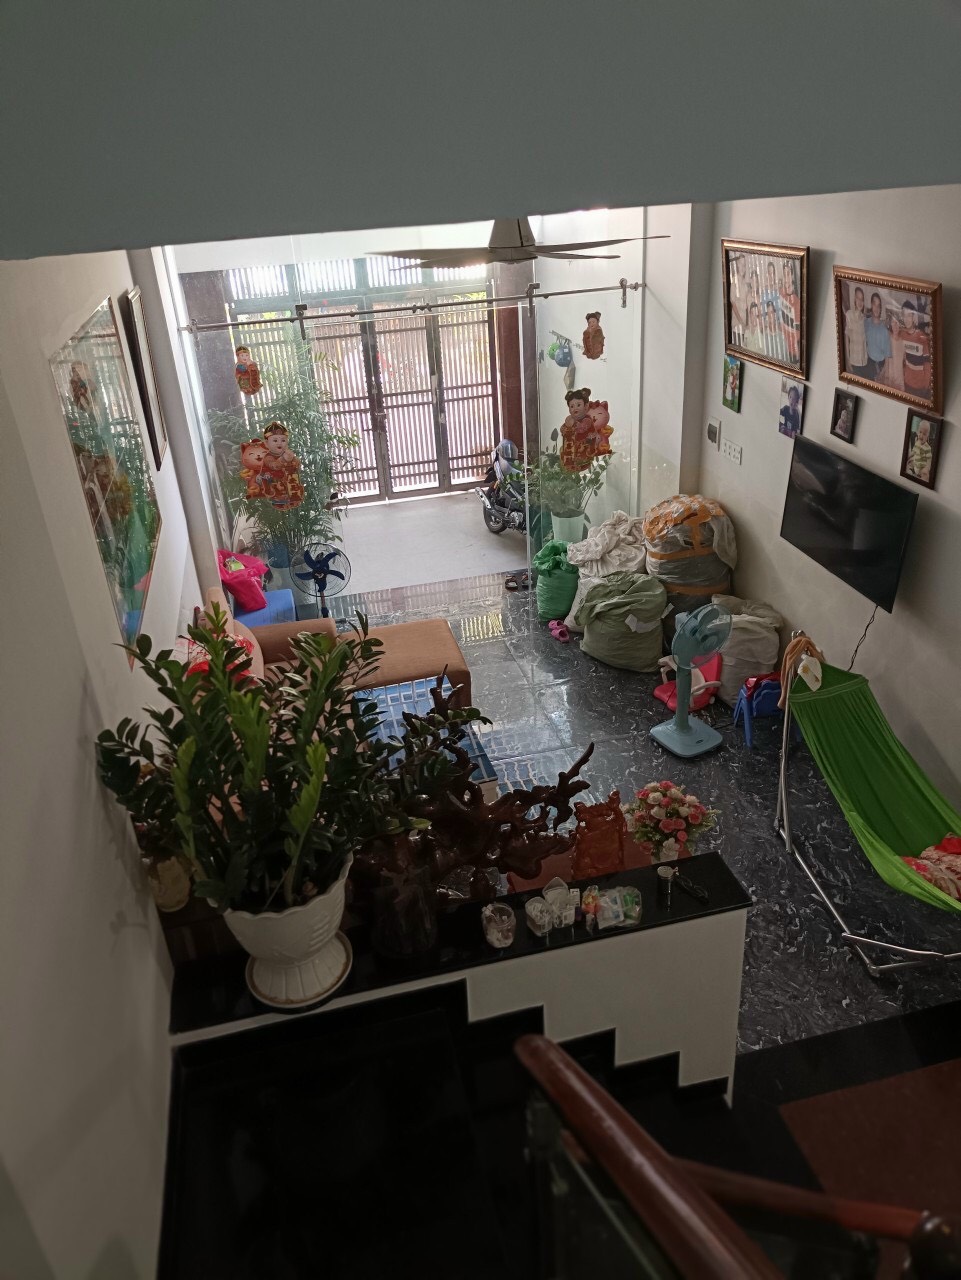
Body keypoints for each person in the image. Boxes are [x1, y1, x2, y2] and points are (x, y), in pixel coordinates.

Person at [897, 299, 932, 399]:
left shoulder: (921, 337)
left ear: (913, 317)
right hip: (907, 384)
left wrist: (926, 386)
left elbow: (927, 364)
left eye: (909, 315)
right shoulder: (902, 335)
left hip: (921, 388)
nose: (906, 319)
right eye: (904, 315)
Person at [863, 291, 892, 381]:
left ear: (881, 308)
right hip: (868, 364)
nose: (876, 308)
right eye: (874, 304)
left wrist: (883, 373)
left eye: (878, 305)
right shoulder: (866, 323)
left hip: (880, 366)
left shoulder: (885, 330)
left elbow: (887, 357)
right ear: (871, 305)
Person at [844, 286, 869, 378]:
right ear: (854, 299)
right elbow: (846, 338)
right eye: (858, 298)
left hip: (865, 362)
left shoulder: (864, 319)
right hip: (854, 362)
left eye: (862, 299)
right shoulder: (849, 315)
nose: (860, 301)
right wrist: (847, 359)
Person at [779, 261, 801, 365]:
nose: (786, 278)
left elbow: (797, 333)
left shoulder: (796, 301)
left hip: (793, 350)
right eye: (784, 274)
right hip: (782, 345)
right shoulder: (780, 293)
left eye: (788, 274)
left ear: (792, 276)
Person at [905, 418, 933, 482]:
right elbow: (913, 452)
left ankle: (921, 479)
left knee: (925, 474)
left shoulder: (927, 448)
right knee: (909, 463)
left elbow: (929, 460)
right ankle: (911, 472)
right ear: (917, 432)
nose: (921, 435)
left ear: (927, 436)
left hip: (921, 467)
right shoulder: (917, 443)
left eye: (924, 434)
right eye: (920, 432)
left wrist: (927, 468)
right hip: (915, 463)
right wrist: (908, 457)